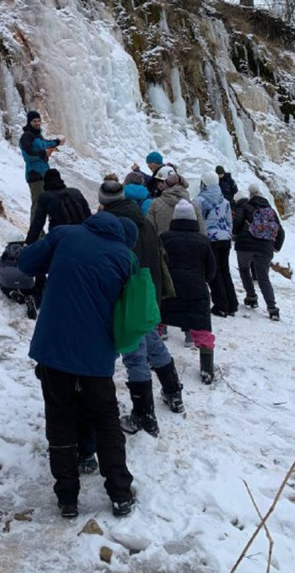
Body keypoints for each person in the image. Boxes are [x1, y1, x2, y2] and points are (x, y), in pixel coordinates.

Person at [18, 210, 137, 519]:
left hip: (53, 347)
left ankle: (67, 499)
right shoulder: (126, 258)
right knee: (106, 421)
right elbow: (130, 313)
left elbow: (26, 263)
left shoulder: (65, 234)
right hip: (96, 355)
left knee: (59, 418)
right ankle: (121, 495)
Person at [97, 176, 184, 436]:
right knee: (152, 342)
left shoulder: (114, 226)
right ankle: (173, 392)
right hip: (150, 292)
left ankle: (144, 415)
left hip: (130, 295)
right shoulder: (144, 222)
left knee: (135, 353)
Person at [160, 201, 218, 384]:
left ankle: (150, 360)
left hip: (169, 289)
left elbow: (159, 263)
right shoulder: (203, 240)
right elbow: (211, 269)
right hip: (195, 289)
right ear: (194, 218)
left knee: (158, 322)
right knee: (202, 328)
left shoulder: (164, 238)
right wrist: (202, 280)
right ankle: (207, 370)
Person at [23, 169, 91, 319]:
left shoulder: (45, 197)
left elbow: (38, 222)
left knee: (45, 264)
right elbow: (88, 216)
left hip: (62, 239)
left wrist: (29, 243)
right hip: (83, 237)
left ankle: (39, 296)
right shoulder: (76, 192)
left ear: (46, 183)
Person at [233, 184, 285, 321]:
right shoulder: (270, 211)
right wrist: (276, 247)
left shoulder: (245, 206)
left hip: (245, 245)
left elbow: (237, 223)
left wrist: (236, 234)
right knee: (263, 278)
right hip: (265, 247)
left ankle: (251, 297)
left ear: (250, 196)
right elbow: (281, 231)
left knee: (244, 269)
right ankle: (272, 308)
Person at [195, 171, 238, 316]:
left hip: (209, 239)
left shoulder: (199, 200)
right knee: (225, 270)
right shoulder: (224, 201)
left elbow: (198, 220)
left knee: (214, 272)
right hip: (224, 238)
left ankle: (221, 305)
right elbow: (229, 221)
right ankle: (232, 304)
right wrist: (228, 235)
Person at [19, 111, 64, 222]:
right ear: (29, 122)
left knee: (48, 202)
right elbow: (28, 154)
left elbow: (46, 144)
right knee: (38, 205)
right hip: (35, 174)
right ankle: (36, 234)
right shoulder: (27, 136)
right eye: (34, 121)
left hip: (44, 173)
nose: (37, 123)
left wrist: (57, 142)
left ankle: (45, 231)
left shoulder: (37, 136)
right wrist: (44, 154)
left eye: (39, 121)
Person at [147, 167, 203, 235]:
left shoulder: (155, 204)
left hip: (162, 244)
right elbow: (202, 232)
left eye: (161, 181)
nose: (159, 184)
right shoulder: (193, 205)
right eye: (158, 181)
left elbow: (150, 231)